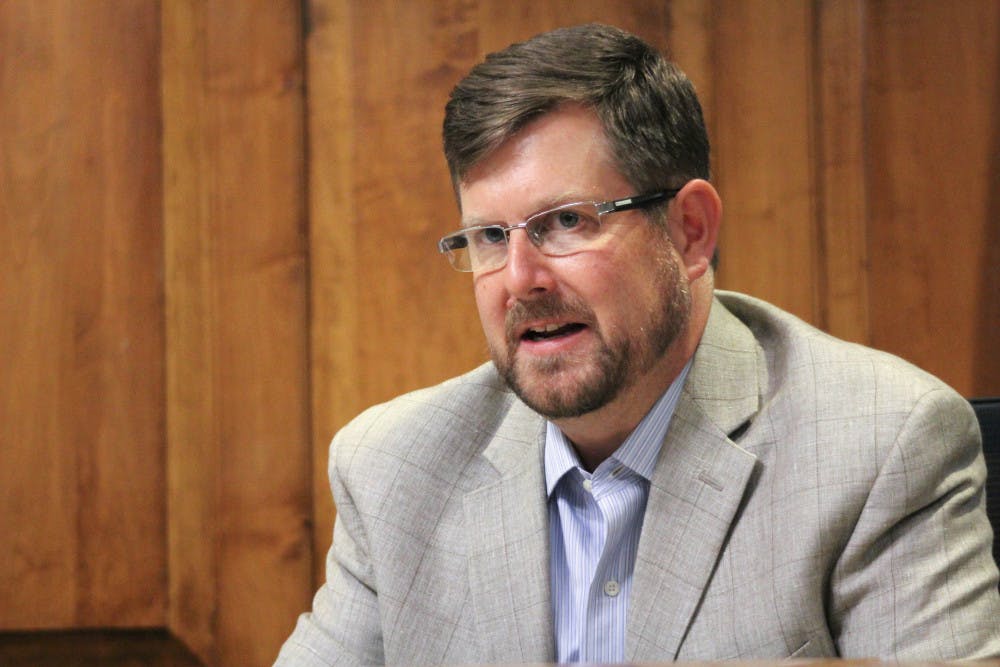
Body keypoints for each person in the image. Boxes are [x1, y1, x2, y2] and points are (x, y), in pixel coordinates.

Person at [276, 23, 1000, 666]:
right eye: (490, 237)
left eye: (565, 222)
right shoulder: (395, 469)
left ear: (689, 230)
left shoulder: (881, 445)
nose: (520, 279)